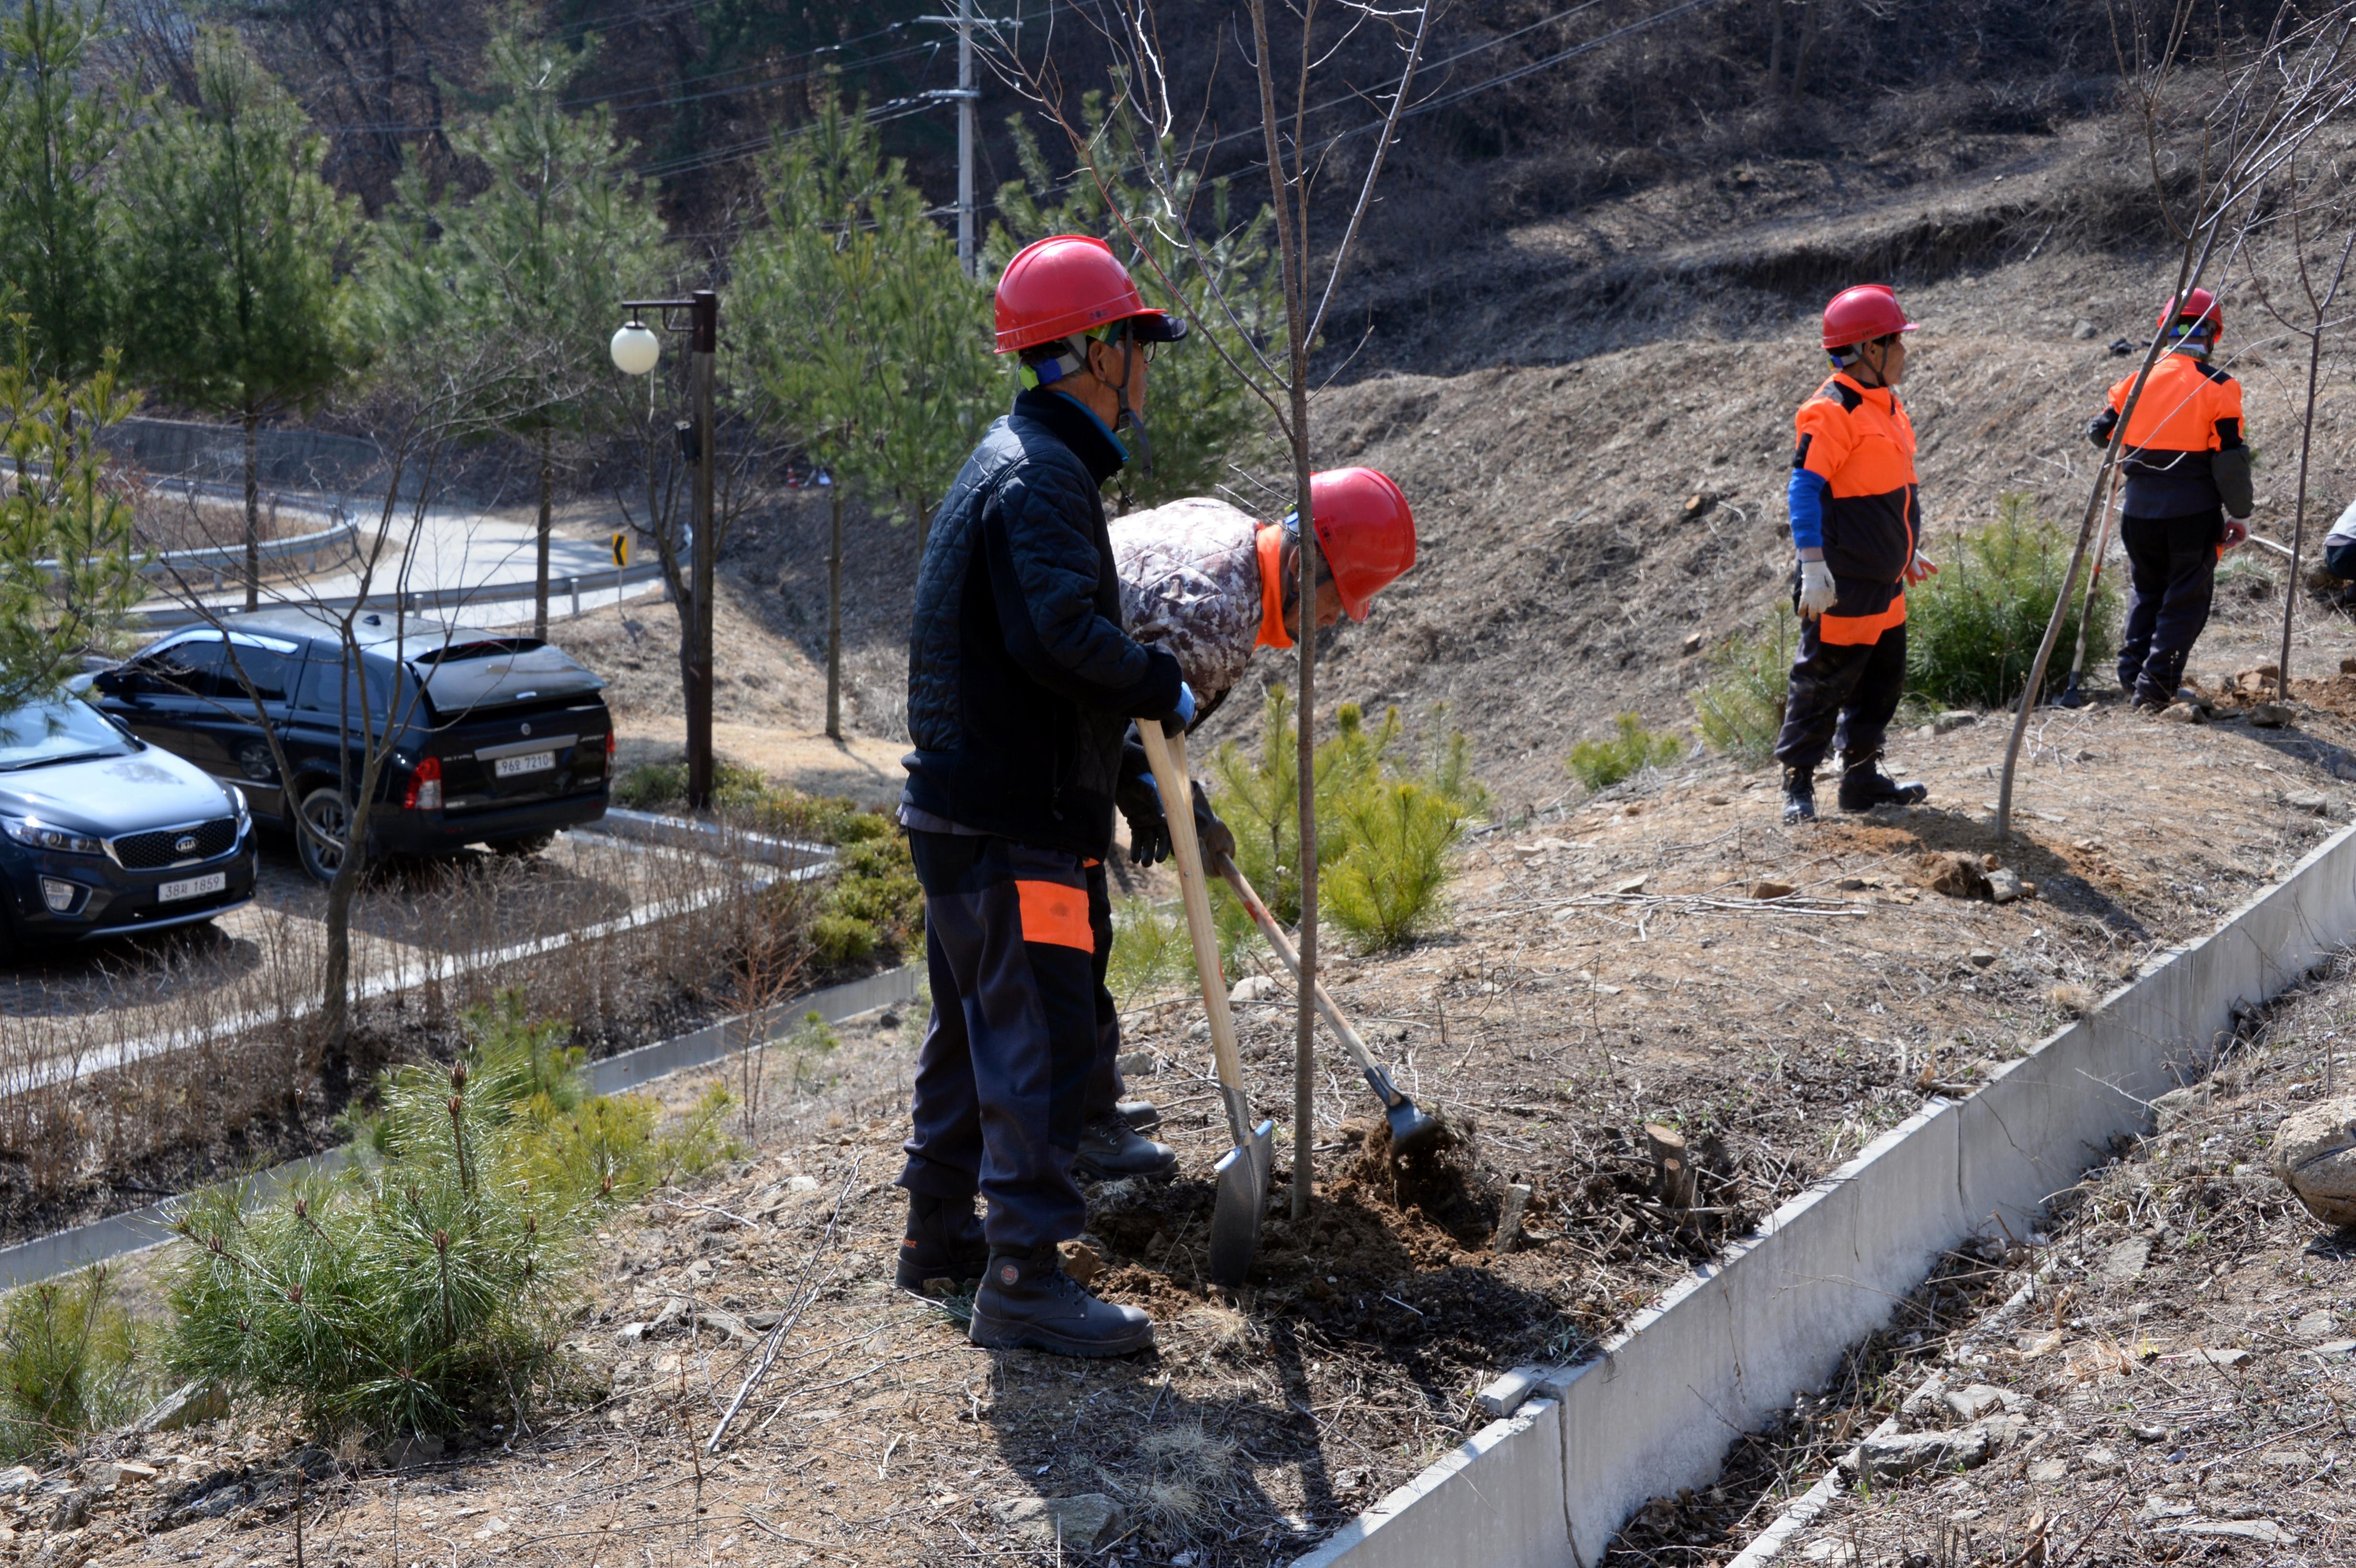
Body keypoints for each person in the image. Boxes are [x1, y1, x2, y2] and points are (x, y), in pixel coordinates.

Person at [893, 233, 1192, 1357]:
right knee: (1043, 1046)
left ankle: (938, 1236)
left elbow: (1038, 644)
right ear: (1093, 353)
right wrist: (1157, 680)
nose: (1148, 370)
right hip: (1016, 822)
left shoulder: (1014, 460)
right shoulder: (1042, 476)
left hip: (964, 813)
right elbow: (1060, 637)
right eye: (1137, 345)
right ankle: (1021, 1276)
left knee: (973, 1035)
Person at [1087, 469, 1418, 1150]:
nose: (1334, 620)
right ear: (1301, 563)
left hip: (1047, 718)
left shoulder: (1225, 526)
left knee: (1080, 926)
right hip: (1026, 743)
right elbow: (1119, 736)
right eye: (1335, 599)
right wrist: (1169, 807)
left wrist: (1185, 808)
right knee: (1074, 926)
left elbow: (1141, 720)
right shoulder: (1219, 619)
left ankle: (1087, 1102)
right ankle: (1080, 1124)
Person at [1776, 284, 1939, 825]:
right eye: (1898, 341)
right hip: (1840, 579)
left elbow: (1898, 488)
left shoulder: (1888, 405)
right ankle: (1797, 786)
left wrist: (1907, 552)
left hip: (1885, 577)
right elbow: (1803, 490)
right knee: (1822, 682)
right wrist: (1812, 565)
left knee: (1880, 682)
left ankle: (1861, 780)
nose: (1905, 352)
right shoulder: (1831, 410)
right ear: (1871, 348)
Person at [2085, 289, 2254, 709]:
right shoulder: (2220, 386)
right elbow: (2230, 461)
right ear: (2212, 335)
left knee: (2147, 590)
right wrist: (2241, 514)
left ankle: (2134, 676)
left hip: (2139, 512)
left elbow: (2099, 432)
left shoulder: (2134, 382)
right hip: (2192, 515)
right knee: (2185, 601)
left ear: (2164, 331)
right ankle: (2157, 689)